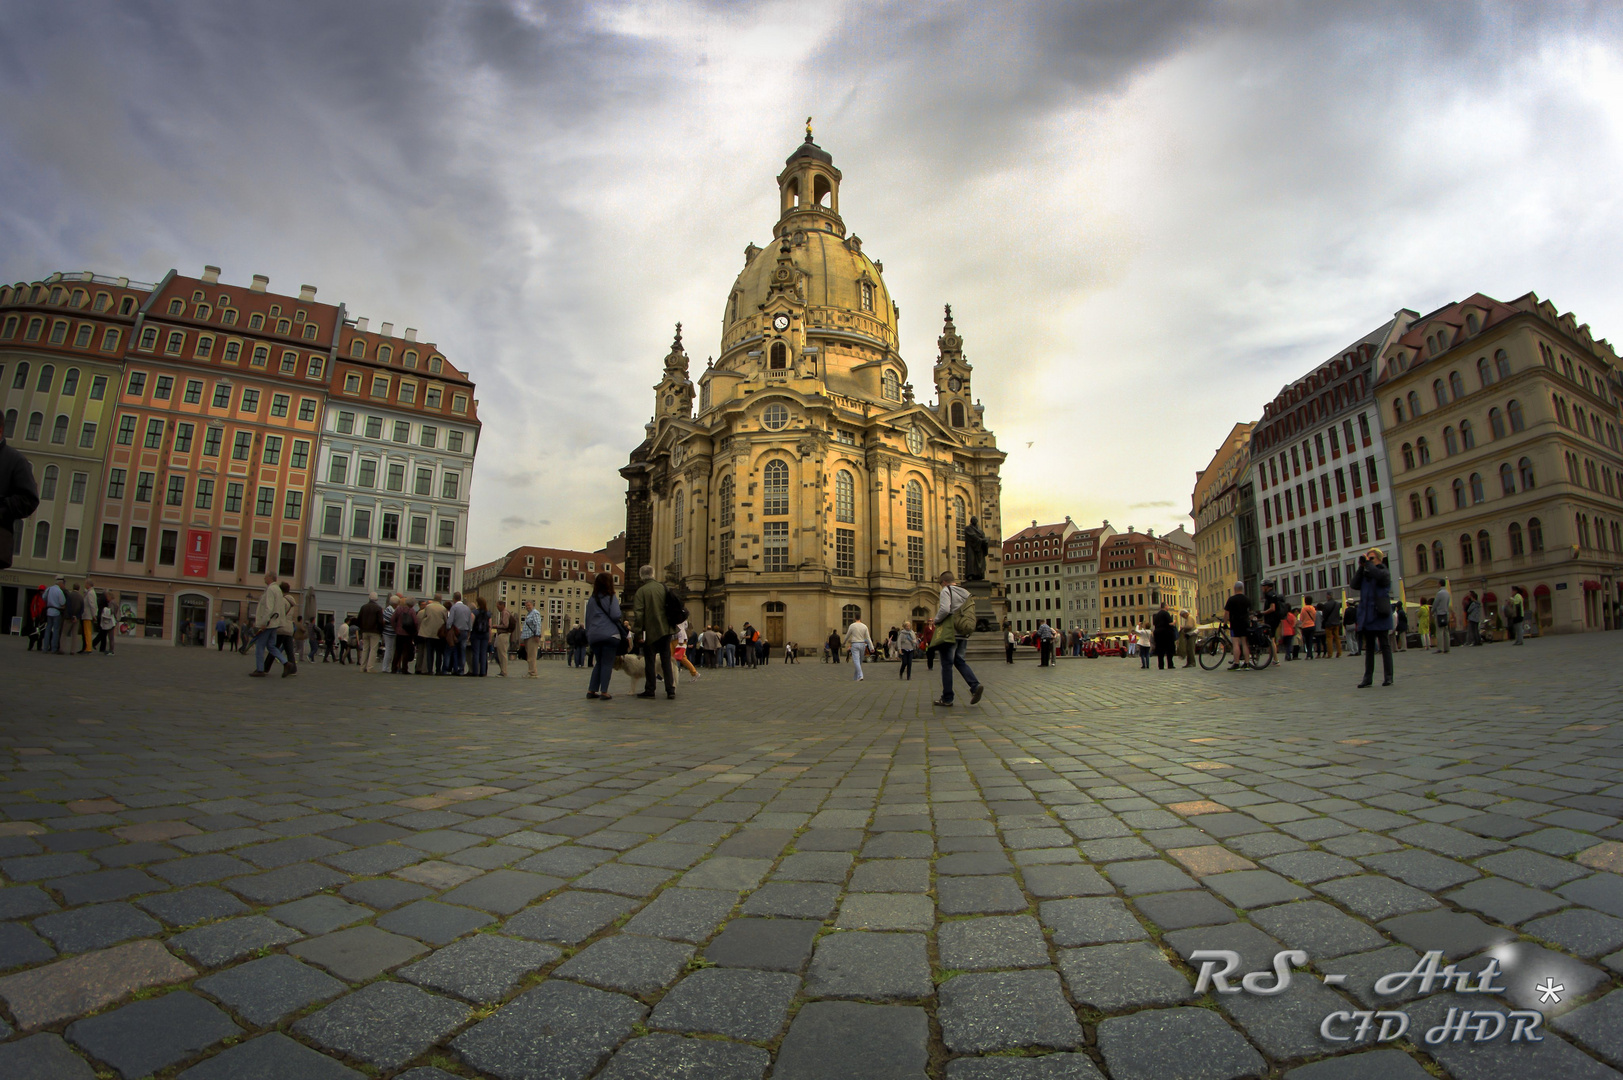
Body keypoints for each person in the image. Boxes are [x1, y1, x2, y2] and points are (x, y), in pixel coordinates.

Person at [932, 571, 984, 706]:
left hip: (950, 633)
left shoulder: (946, 590)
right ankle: (975, 685)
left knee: (947, 665)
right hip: (963, 632)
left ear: (944, 582)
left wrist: (936, 621)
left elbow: (945, 609)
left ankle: (947, 698)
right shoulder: (965, 592)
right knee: (960, 661)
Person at [1351, 549, 1394, 687]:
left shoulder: (1383, 571)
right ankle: (1367, 677)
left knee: (1385, 646)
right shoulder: (1366, 573)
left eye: (1372, 558)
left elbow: (1379, 576)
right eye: (1368, 558)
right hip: (1367, 615)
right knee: (1369, 648)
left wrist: (1368, 565)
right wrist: (1361, 567)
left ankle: (1388, 676)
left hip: (1379, 613)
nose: (1369, 561)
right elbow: (1354, 584)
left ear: (1380, 560)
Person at [632, 565, 675, 699]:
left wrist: (638, 633)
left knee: (649, 661)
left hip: (651, 631)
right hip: (666, 629)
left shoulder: (641, 591)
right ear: (653, 574)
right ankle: (670, 689)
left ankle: (650, 689)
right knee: (666, 660)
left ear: (641, 576)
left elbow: (639, 615)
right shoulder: (663, 588)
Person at [585, 572, 623, 700]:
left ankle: (591, 690)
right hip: (609, 634)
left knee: (599, 662)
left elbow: (588, 618)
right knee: (607, 663)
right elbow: (615, 615)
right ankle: (604, 691)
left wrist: (589, 634)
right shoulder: (611, 597)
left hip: (594, 635)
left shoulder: (591, 599)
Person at [249, 572, 293, 676]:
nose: (264, 577)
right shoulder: (278, 590)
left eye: (266, 576)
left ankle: (260, 669)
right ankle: (286, 663)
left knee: (260, 645)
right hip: (275, 622)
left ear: (270, 578)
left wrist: (264, 622)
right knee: (271, 646)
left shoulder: (270, 589)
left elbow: (269, 607)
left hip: (269, 622)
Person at [1224, 583, 1251, 670]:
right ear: (1242, 589)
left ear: (1234, 589)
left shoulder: (1231, 599)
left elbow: (1226, 613)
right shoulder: (1247, 599)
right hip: (1245, 623)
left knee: (1235, 644)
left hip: (1235, 623)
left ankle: (1236, 663)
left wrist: (1225, 623)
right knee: (1244, 643)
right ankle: (1247, 663)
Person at [419, 594, 447, 674]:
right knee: (439, 652)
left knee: (429, 652)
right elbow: (446, 620)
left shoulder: (428, 607)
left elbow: (424, 616)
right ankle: (438, 669)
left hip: (429, 632)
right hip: (439, 633)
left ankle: (429, 669)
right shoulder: (443, 608)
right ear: (440, 599)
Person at [358, 593, 384, 673]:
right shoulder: (378, 608)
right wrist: (381, 631)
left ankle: (362, 667)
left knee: (365, 649)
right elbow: (380, 621)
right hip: (375, 631)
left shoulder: (363, 607)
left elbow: (359, 619)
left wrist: (362, 628)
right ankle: (370, 667)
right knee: (373, 649)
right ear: (376, 599)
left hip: (365, 631)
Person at [447, 593, 472, 675]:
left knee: (455, 650)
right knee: (463, 650)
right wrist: (469, 631)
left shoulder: (454, 607)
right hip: (465, 631)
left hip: (456, 631)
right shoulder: (467, 608)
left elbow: (450, 620)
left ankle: (455, 668)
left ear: (454, 599)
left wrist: (448, 628)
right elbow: (469, 621)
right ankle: (461, 669)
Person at [392, 597, 418, 673]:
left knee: (397, 651)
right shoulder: (412, 611)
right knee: (405, 651)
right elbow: (416, 622)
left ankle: (394, 668)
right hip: (408, 634)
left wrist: (395, 628)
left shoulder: (399, 609)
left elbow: (392, 619)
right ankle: (404, 669)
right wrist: (415, 630)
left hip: (399, 632)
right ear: (413, 604)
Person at [843, 615, 872, 680]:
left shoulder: (852, 626)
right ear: (860, 618)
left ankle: (860, 675)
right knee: (859, 661)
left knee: (856, 661)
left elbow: (847, 635)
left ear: (854, 618)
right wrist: (871, 647)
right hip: (862, 644)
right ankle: (855, 677)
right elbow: (868, 637)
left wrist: (844, 642)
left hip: (855, 644)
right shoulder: (864, 626)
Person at [520, 598, 543, 678]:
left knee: (532, 656)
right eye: (526, 605)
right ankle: (530, 671)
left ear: (533, 605)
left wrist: (537, 635)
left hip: (532, 637)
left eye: (529, 605)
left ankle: (532, 673)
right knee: (529, 655)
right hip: (527, 637)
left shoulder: (535, 613)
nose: (527, 607)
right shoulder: (529, 614)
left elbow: (538, 624)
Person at [491, 600, 514, 676]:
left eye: (498, 606)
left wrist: (496, 626)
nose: (497, 608)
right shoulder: (505, 612)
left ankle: (504, 671)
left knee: (502, 653)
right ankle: (503, 670)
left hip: (503, 634)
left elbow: (505, 625)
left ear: (501, 605)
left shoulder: (505, 613)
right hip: (503, 634)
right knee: (501, 653)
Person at [1152, 604, 1176, 670]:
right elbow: (1170, 623)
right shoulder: (1166, 613)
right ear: (1165, 606)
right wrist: (1174, 622)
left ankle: (1161, 665)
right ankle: (1170, 664)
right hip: (1166, 633)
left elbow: (1154, 623)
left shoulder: (1157, 615)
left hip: (1157, 633)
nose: (1168, 607)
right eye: (1167, 605)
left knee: (1160, 650)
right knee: (1169, 649)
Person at [1433, 580, 1453, 653]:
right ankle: (1447, 648)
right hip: (1446, 614)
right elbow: (1448, 603)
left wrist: (1432, 610)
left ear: (1440, 584)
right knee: (1446, 631)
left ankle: (1440, 648)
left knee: (1439, 632)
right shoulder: (1447, 593)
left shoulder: (1439, 593)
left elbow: (1435, 603)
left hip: (1439, 614)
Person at [381, 595, 398, 672]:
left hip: (388, 632)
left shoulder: (387, 609)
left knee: (389, 650)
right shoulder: (390, 610)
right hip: (390, 633)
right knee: (389, 650)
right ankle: (385, 667)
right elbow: (391, 620)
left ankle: (387, 667)